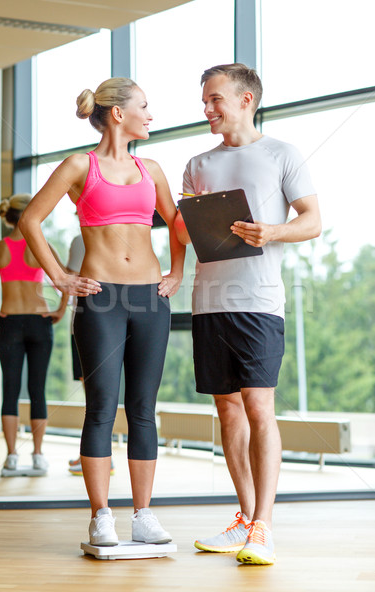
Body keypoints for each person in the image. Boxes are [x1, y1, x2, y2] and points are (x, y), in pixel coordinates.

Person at [19, 77, 185, 546]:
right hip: (100, 299)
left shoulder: (151, 168)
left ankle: (144, 514)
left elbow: (177, 223)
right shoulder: (79, 166)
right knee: (101, 409)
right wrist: (61, 278)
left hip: (150, 298)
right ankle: (101, 515)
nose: (150, 115)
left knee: (143, 410)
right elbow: (30, 220)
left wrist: (176, 271)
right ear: (118, 113)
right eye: (144, 107)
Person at [174, 63, 321, 565]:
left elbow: (313, 220)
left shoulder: (282, 154)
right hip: (209, 300)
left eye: (216, 99)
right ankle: (243, 518)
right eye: (205, 100)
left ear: (245, 100)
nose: (208, 108)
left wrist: (271, 232)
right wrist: (184, 215)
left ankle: (265, 526)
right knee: (227, 408)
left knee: (258, 403)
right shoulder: (197, 162)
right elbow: (184, 232)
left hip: (258, 301)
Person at [0, 194, 68, 473]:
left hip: (10, 323)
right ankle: (38, 455)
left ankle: (12, 455)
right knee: (37, 390)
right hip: (40, 322)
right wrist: (61, 310)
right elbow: (65, 279)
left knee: (10, 390)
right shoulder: (42, 246)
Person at [65, 232, 115, 477]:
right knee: (106, 393)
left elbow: (70, 278)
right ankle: (106, 454)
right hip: (113, 320)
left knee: (95, 397)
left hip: (88, 320)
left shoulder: (80, 239)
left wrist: (59, 308)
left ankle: (103, 455)